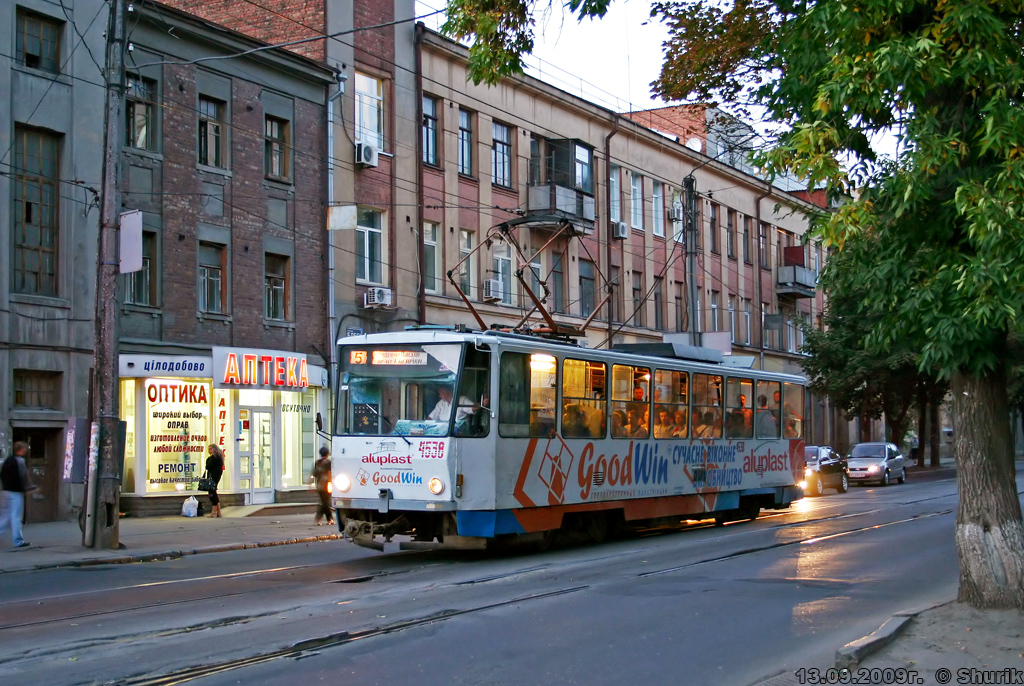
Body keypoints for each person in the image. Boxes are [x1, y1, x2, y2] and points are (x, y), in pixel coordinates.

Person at [0, 442, 35, 548]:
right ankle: (18, 541)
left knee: (5, 517)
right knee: (16, 517)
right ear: (21, 450)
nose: (26, 451)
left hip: (6, 492)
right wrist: (29, 487)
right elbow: (23, 475)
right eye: (25, 449)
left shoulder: (8, 460)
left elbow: (2, 474)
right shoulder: (19, 460)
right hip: (15, 492)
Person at [312, 446, 334, 526]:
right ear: (327, 453)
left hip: (319, 485)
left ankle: (329, 519)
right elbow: (331, 473)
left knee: (324, 502)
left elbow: (314, 473)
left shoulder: (318, 462)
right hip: (327, 485)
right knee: (325, 503)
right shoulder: (328, 462)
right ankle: (319, 518)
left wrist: (310, 483)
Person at [204, 445, 225, 518]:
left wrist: (208, 460)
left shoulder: (214, 458)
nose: (209, 450)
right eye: (208, 449)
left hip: (213, 477)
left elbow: (208, 466)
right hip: (216, 477)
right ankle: (218, 512)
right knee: (213, 492)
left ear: (215, 449)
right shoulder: (220, 457)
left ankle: (213, 512)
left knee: (212, 493)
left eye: (211, 448)